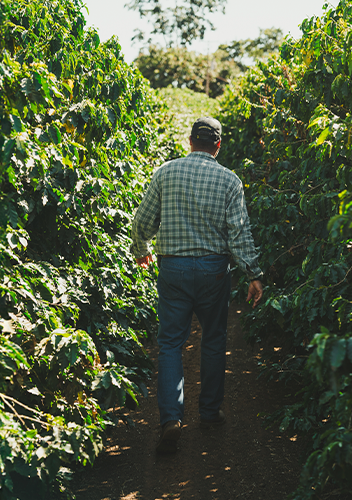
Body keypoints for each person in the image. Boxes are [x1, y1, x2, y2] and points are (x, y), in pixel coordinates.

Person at [130, 116, 264, 454]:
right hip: (212, 270)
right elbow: (239, 233)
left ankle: (171, 418)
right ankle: (208, 413)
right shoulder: (230, 181)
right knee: (214, 339)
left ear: (190, 141)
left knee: (171, 342)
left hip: (172, 267)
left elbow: (143, 221)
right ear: (217, 146)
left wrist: (142, 249)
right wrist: (253, 274)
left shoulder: (165, 172)